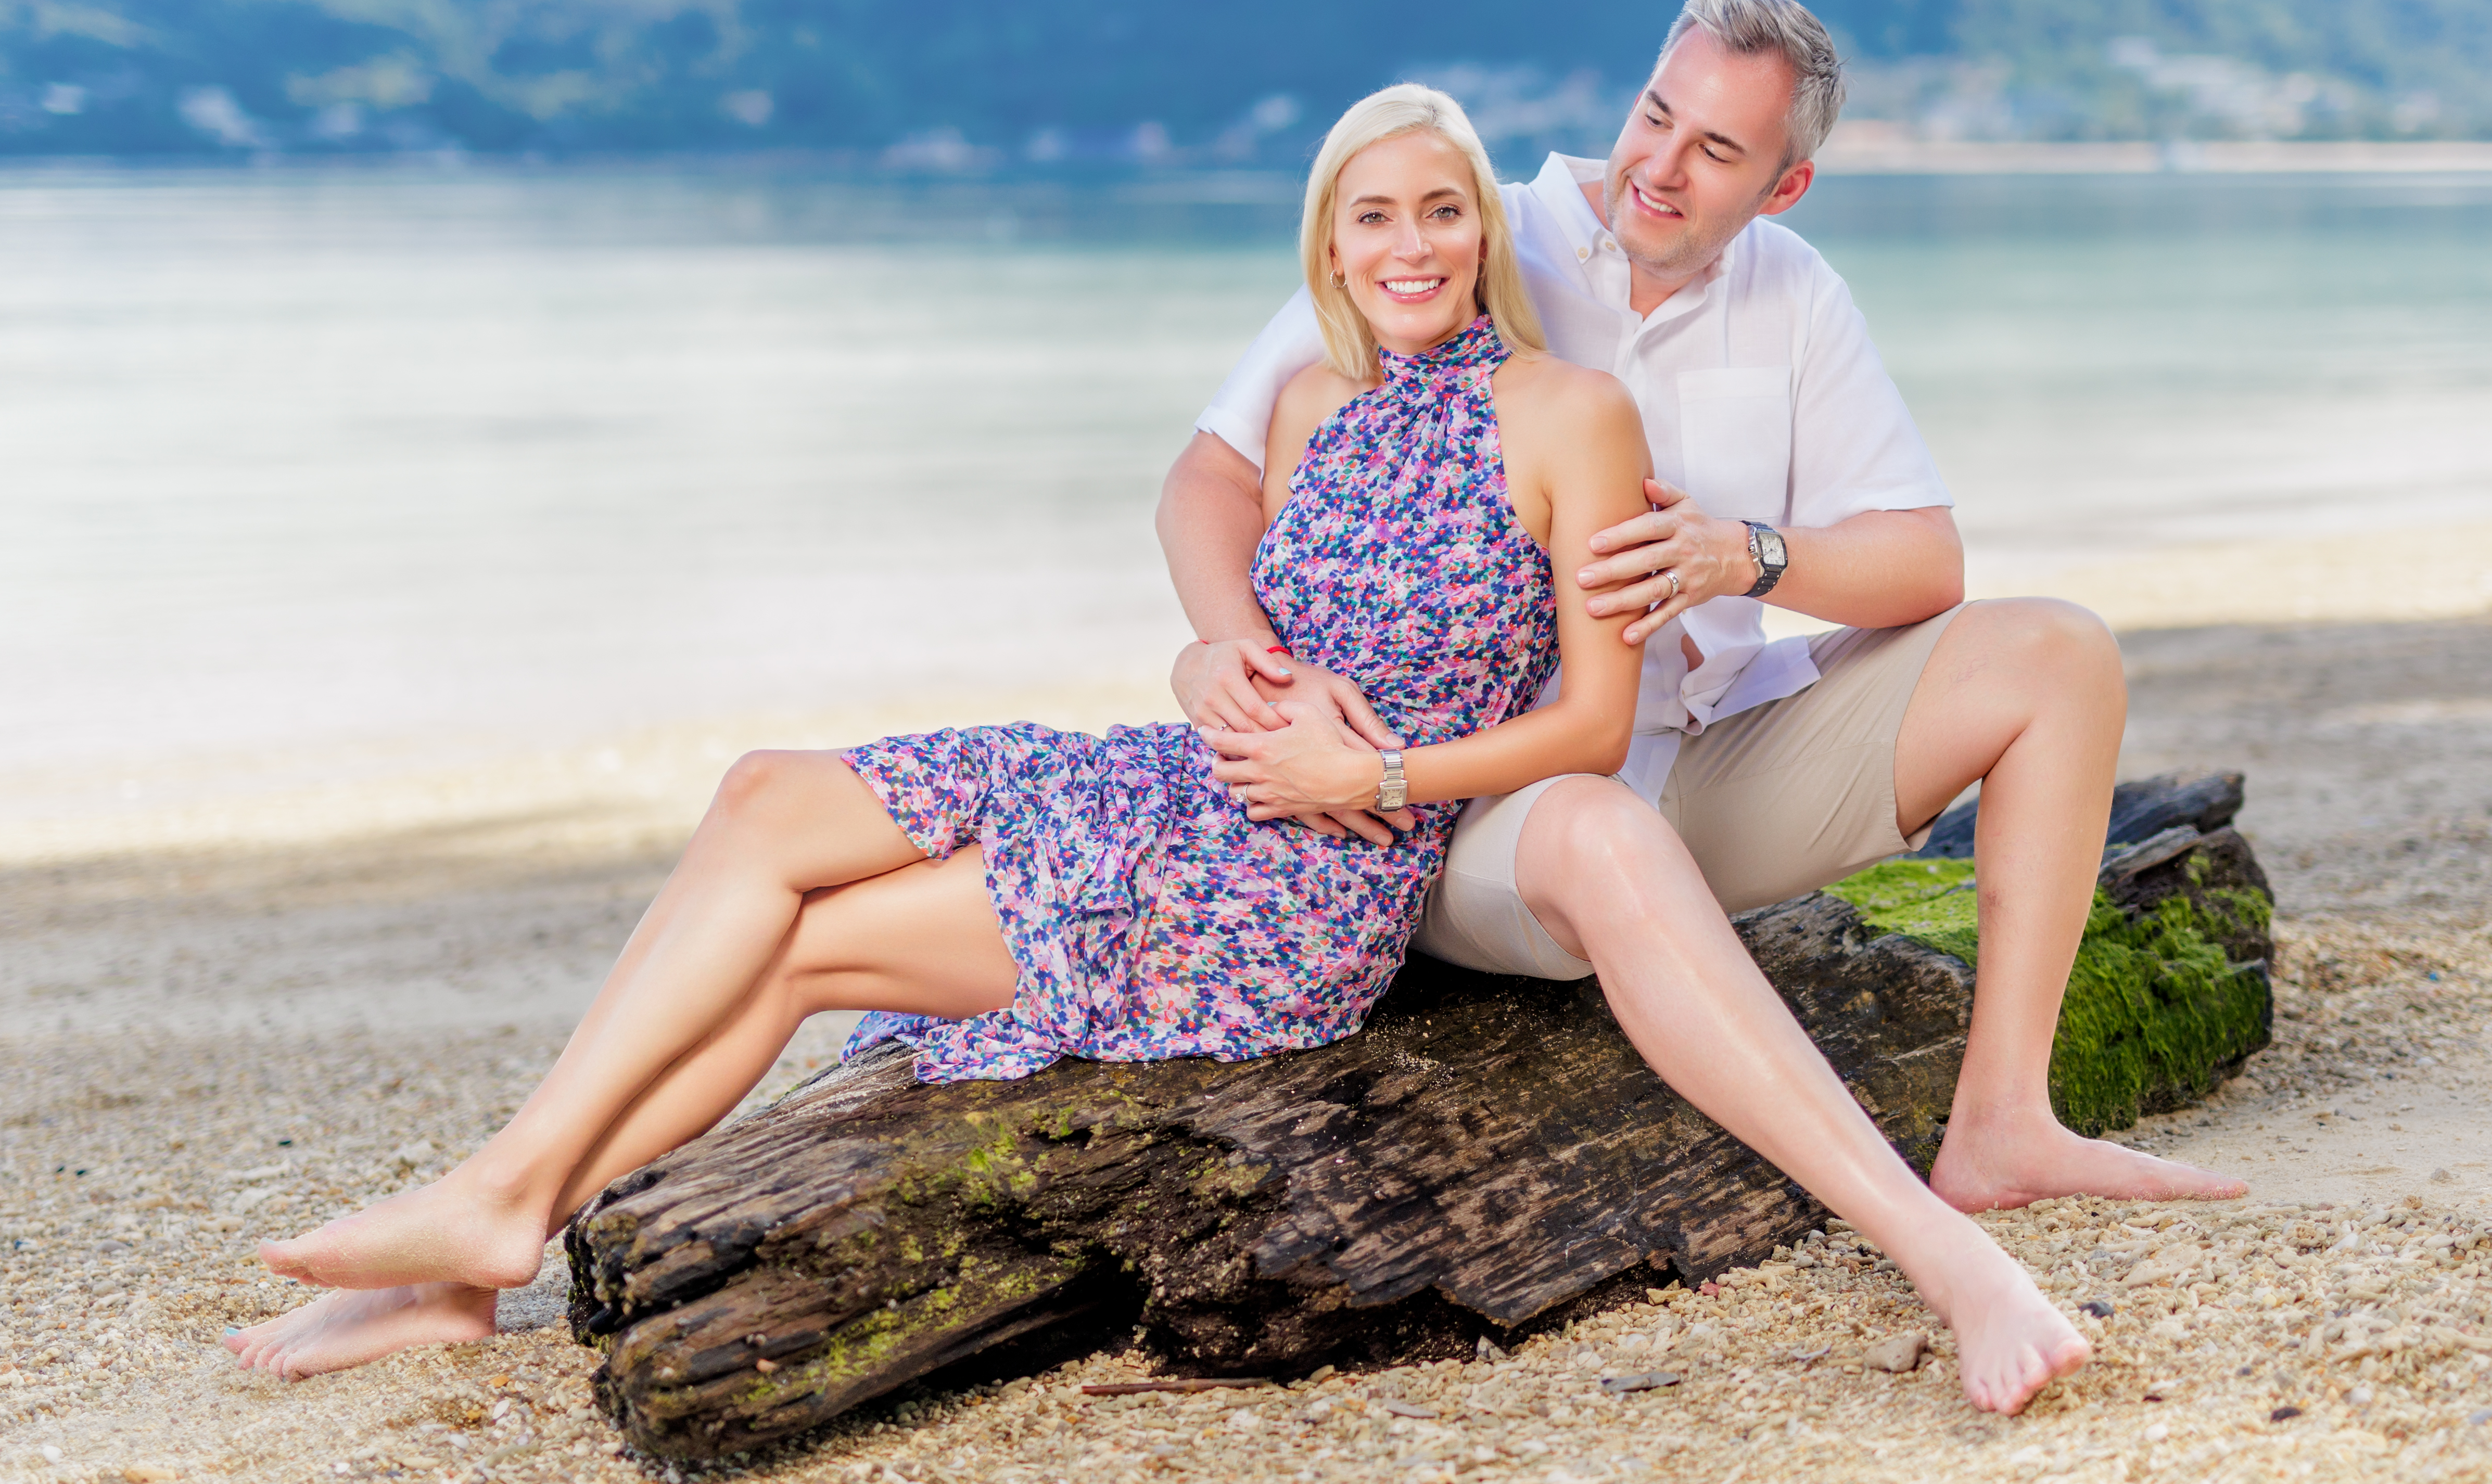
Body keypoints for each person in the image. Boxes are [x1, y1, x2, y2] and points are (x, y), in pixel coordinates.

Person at [220, 83, 2088, 1414]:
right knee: (761, 802)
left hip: (1305, 871)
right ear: (1329, 247)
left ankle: (494, 1221)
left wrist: (1369, 781)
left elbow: (1589, 726)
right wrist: (1221, 660)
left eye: (1445, 209)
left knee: (800, 941)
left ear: (1487, 234)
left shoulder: (1569, 411)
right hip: (1181, 788)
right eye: (1376, 214)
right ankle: (493, 1221)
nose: (1415, 241)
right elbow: (1234, 568)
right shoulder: (1299, 400)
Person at [1159, 0, 2244, 1221]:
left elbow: (1923, 561)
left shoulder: (1793, 292)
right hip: (1467, 810)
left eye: (1716, 148)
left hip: (1700, 763)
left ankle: (2002, 1124)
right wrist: (1240, 661)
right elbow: (1210, 474)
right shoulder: (1444, 234)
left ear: (1782, 185)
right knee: (1586, 820)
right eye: (1655, 114)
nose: (1659, 166)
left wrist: (1747, 555)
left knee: (2056, 651)